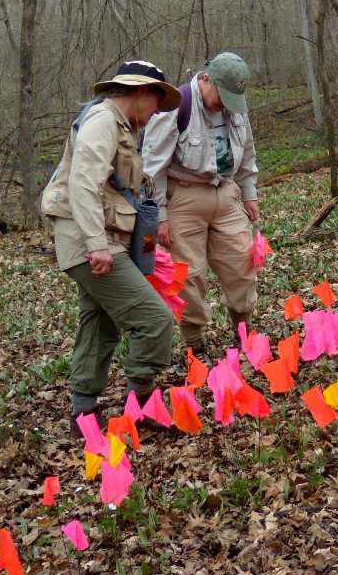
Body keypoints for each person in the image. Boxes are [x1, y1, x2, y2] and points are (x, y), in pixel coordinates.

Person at [41, 60, 182, 434]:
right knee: (155, 319)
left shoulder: (122, 125)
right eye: (155, 101)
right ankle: (140, 406)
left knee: (99, 323)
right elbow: (83, 185)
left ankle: (83, 414)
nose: (156, 113)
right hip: (91, 241)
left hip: (104, 238)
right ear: (139, 92)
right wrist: (97, 245)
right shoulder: (103, 121)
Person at [141, 52, 259, 357]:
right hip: (184, 196)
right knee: (189, 275)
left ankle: (243, 331)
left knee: (242, 264)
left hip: (227, 192)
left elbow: (246, 152)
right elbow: (152, 168)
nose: (226, 105)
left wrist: (249, 193)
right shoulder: (175, 107)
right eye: (223, 96)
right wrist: (160, 216)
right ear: (207, 79)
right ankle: (194, 342)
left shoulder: (236, 108)